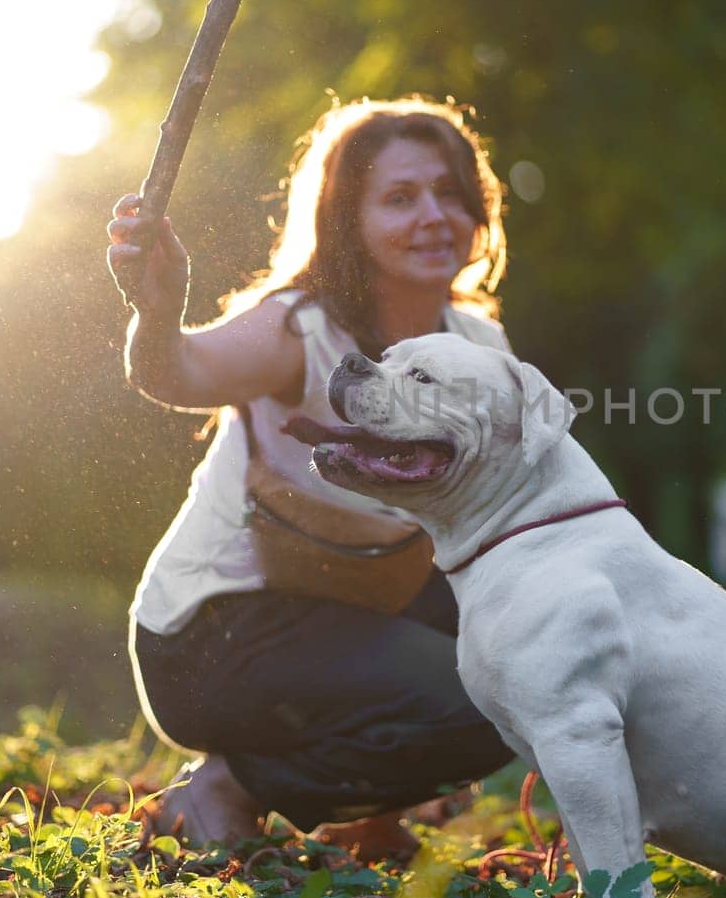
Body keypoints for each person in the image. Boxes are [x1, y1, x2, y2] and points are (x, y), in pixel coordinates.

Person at [105, 97, 518, 856]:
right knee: (490, 704)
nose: (433, 214)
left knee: (514, 651)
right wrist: (159, 312)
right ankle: (227, 787)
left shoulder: (477, 341)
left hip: (355, 601)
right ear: (346, 219)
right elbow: (175, 371)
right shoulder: (302, 325)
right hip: (210, 638)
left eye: (450, 192)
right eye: (399, 198)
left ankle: (373, 813)